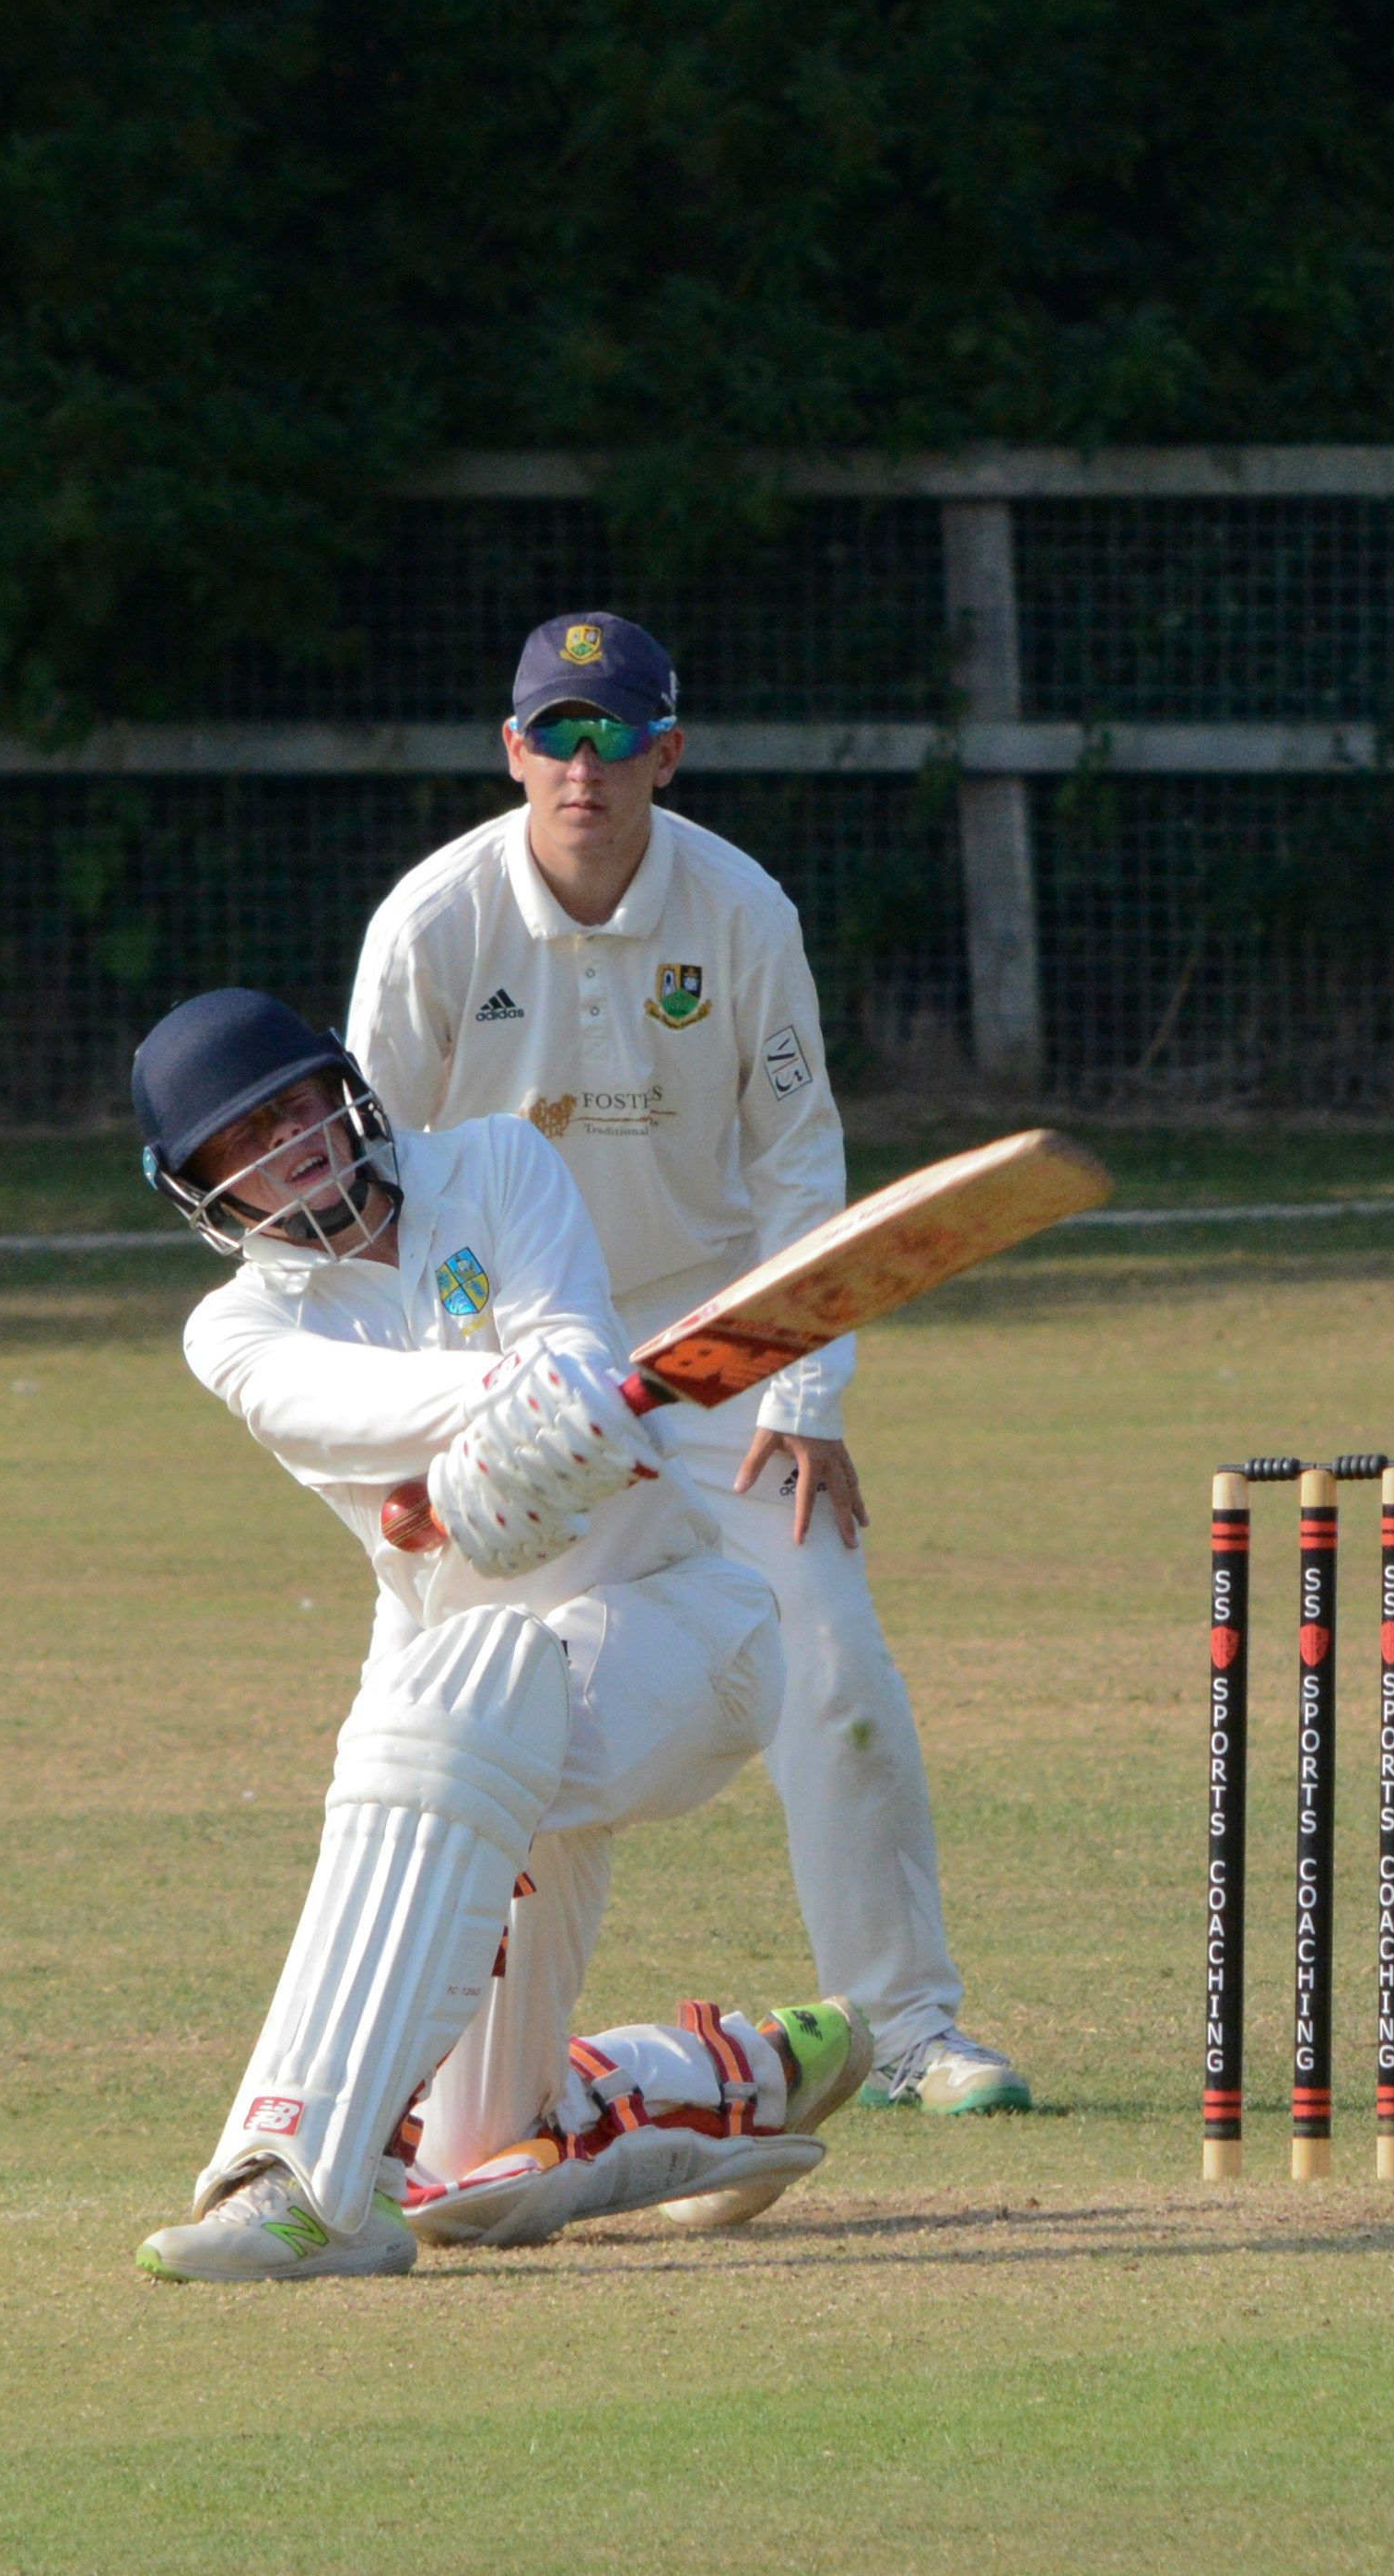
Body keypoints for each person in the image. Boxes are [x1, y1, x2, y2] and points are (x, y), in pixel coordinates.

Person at [342, 611, 1033, 2119]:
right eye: (555, 735)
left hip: (717, 1353)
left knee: (837, 1669)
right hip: (513, 1370)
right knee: (442, 1713)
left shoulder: (739, 909)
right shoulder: (433, 922)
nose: (582, 768)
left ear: (668, 752)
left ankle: (907, 2028)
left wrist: (806, 1389)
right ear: (512, 750)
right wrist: (411, 1415)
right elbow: (365, 1191)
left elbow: (798, 1161)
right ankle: (396, 2076)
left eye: (613, 736)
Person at [129, 986, 876, 2282]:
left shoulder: (495, 1162)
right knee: (478, 2172)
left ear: (345, 1093)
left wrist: (548, 1414)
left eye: (295, 1105)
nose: (286, 1142)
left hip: (683, 1634)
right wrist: (522, 1412)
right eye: (240, 1141)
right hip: (487, 1745)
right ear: (199, 1190)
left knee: (449, 1699)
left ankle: (293, 2183)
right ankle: (730, 2075)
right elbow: (384, 1403)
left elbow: (572, 1356)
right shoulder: (239, 1332)